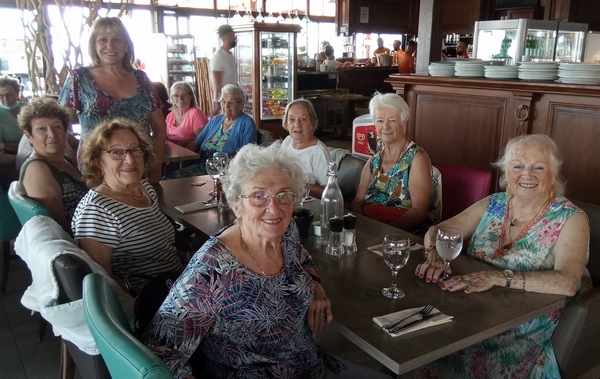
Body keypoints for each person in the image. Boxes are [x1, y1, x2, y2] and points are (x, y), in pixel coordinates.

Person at [143, 142, 392, 379]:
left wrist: (315, 286)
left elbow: (302, 259)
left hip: (312, 365)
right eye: (259, 196)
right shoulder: (211, 270)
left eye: (284, 195)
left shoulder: (287, 231)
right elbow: (160, 354)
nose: (274, 209)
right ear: (235, 204)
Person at [414, 134, 589, 378]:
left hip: (525, 326)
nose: (526, 175)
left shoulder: (570, 218)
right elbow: (438, 231)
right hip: (473, 310)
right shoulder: (494, 203)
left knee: (461, 357)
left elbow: (568, 282)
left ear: (553, 174)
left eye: (538, 167)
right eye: (517, 166)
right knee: (421, 342)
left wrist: (498, 277)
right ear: (506, 172)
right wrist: (432, 253)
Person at [72, 118, 183, 293]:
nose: (130, 159)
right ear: (98, 161)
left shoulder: (144, 188)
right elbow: (103, 279)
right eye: (116, 152)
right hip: (153, 299)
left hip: (178, 282)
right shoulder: (96, 211)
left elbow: (164, 249)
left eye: (134, 150)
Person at [58, 17, 166, 184]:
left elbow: (159, 126)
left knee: (139, 209)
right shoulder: (79, 78)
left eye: (117, 39)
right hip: (97, 169)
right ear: (94, 45)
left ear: (126, 45)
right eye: (102, 40)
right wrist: (79, 148)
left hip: (138, 165)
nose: (110, 46)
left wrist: (156, 163)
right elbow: (60, 125)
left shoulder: (142, 79)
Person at [351, 92, 440, 233]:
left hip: (403, 234)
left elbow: (419, 211)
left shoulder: (417, 158)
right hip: (370, 230)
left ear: (404, 122)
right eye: (380, 120)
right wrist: (361, 227)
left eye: (392, 120)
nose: (385, 126)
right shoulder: (373, 161)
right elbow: (357, 201)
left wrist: (387, 234)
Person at [17, 97, 87, 235]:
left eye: (57, 127)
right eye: (42, 129)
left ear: (66, 131)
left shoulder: (62, 160)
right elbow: (59, 227)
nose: (51, 134)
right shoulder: (37, 169)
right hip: (80, 243)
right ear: (29, 135)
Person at [164, 84, 256, 179]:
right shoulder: (216, 120)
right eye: (223, 101)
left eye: (231, 102)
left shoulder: (247, 123)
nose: (226, 105)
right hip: (201, 166)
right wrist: (177, 159)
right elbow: (196, 143)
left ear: (241, 105)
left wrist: (221, 162)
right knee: (167, 178)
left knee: (171, 180)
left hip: (225, 171)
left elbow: (247, 154)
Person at [281, 99, 331, 198]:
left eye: (303, 119)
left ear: (312, 123)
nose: (297, 125)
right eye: (291, 119)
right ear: (286, 123)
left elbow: (328, 191)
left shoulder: (318, 151)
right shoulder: (287, 141)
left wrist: (299, 185)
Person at [166, 81, 208, 146]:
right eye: (176, 96)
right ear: (172, 98)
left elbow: (202, 140)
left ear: (191, 96)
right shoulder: (170, 116)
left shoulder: (195, 113)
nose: (180, 99)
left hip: (190, 152)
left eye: (184, 95)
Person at [210, 24, 238, 117]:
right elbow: (216, 83)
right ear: (227, 36)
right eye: (233, 35)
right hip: (223, 101)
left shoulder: (229, 54)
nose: (235, 38)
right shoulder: (218, 56)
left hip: (232, 97)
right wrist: (215, 103)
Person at [0, 75, 26, 152]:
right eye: (0, 96)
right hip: (9, 154)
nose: (5, 99)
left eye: (9, 94)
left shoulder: (28, 108)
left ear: (17, 93)